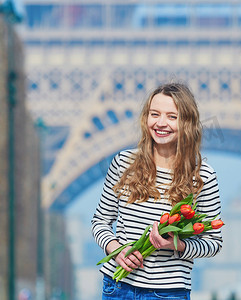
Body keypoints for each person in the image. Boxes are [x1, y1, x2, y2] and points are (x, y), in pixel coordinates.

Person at [91, 82, 223, 299]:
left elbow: (213, 243)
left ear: (187, 123)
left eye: (172, 116)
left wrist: (176, 244)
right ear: (146, 118)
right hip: (117, 287)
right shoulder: (123, 163)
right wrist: (116, 251)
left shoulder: (202, 176)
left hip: (168, 293)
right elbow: (100, 221)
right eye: (155, 114)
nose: (161, 123)